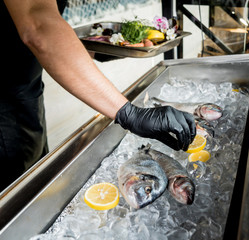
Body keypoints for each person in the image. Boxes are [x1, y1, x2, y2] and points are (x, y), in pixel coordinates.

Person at [0, 0, 196, 192]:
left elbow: (40, 34)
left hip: (28, 95)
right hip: (4, 112)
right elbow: (38, 25)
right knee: (18, 196)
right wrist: (129, 113)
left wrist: (103, 48)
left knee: (38, 179)